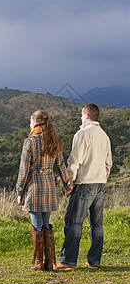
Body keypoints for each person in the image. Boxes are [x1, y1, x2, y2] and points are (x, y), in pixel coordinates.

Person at [56, 103, 112, 270]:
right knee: (97, 224)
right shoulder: (105, 136)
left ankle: (67, 261)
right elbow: (108, 163)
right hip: (100, 184)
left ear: (86, 116)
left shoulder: (82, 133)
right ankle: (94, 261)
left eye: (81, 115)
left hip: (84, 184)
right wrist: (102, 177)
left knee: (73, 222)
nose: (81, 118)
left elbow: (75, 161)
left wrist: (69, 182)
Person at [16, 110, 73, 271]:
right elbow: (61, 166)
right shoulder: (54, 141)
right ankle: (49, 262)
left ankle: (39, 263)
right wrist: (68, 185)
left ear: (35, 123)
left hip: (34, 187)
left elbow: (23, 170)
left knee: (37, 225)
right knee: (46, 224)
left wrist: (19, 191)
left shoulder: (30, 142)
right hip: (49, 187)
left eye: (30, 122)